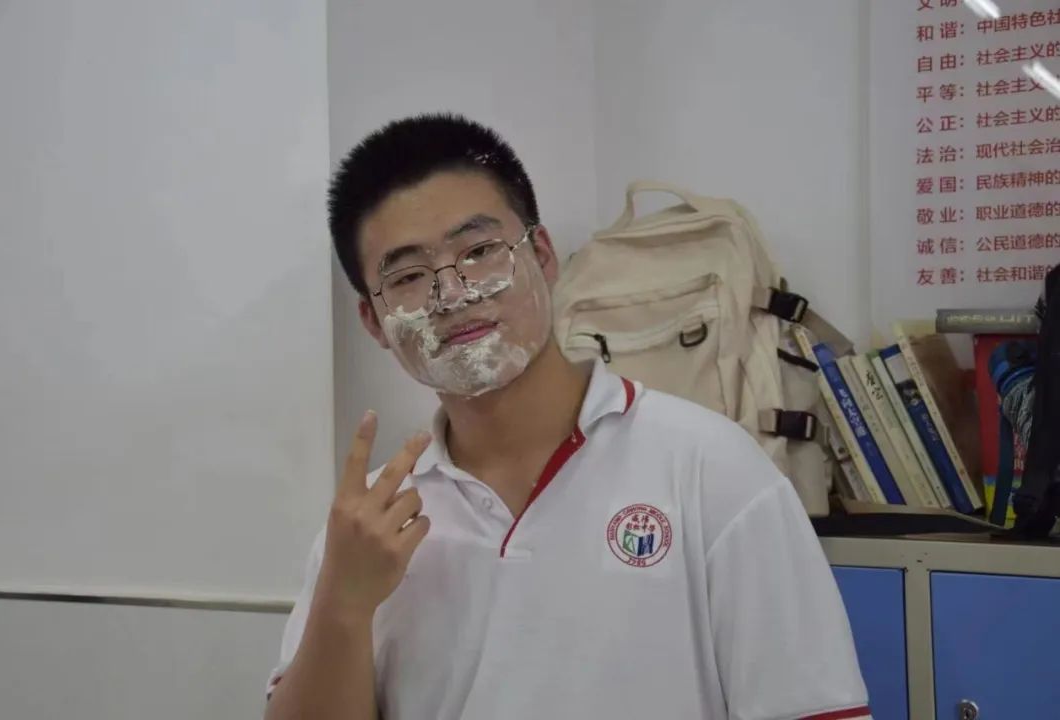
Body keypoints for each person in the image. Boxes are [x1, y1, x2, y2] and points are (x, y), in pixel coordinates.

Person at [264, 113, 872, 720]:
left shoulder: (712, 470)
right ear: (373, 322)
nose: (453, 294)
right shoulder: (372, 525)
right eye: (408, 277)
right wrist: (343, 606)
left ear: (543, 255)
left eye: (479, 252)